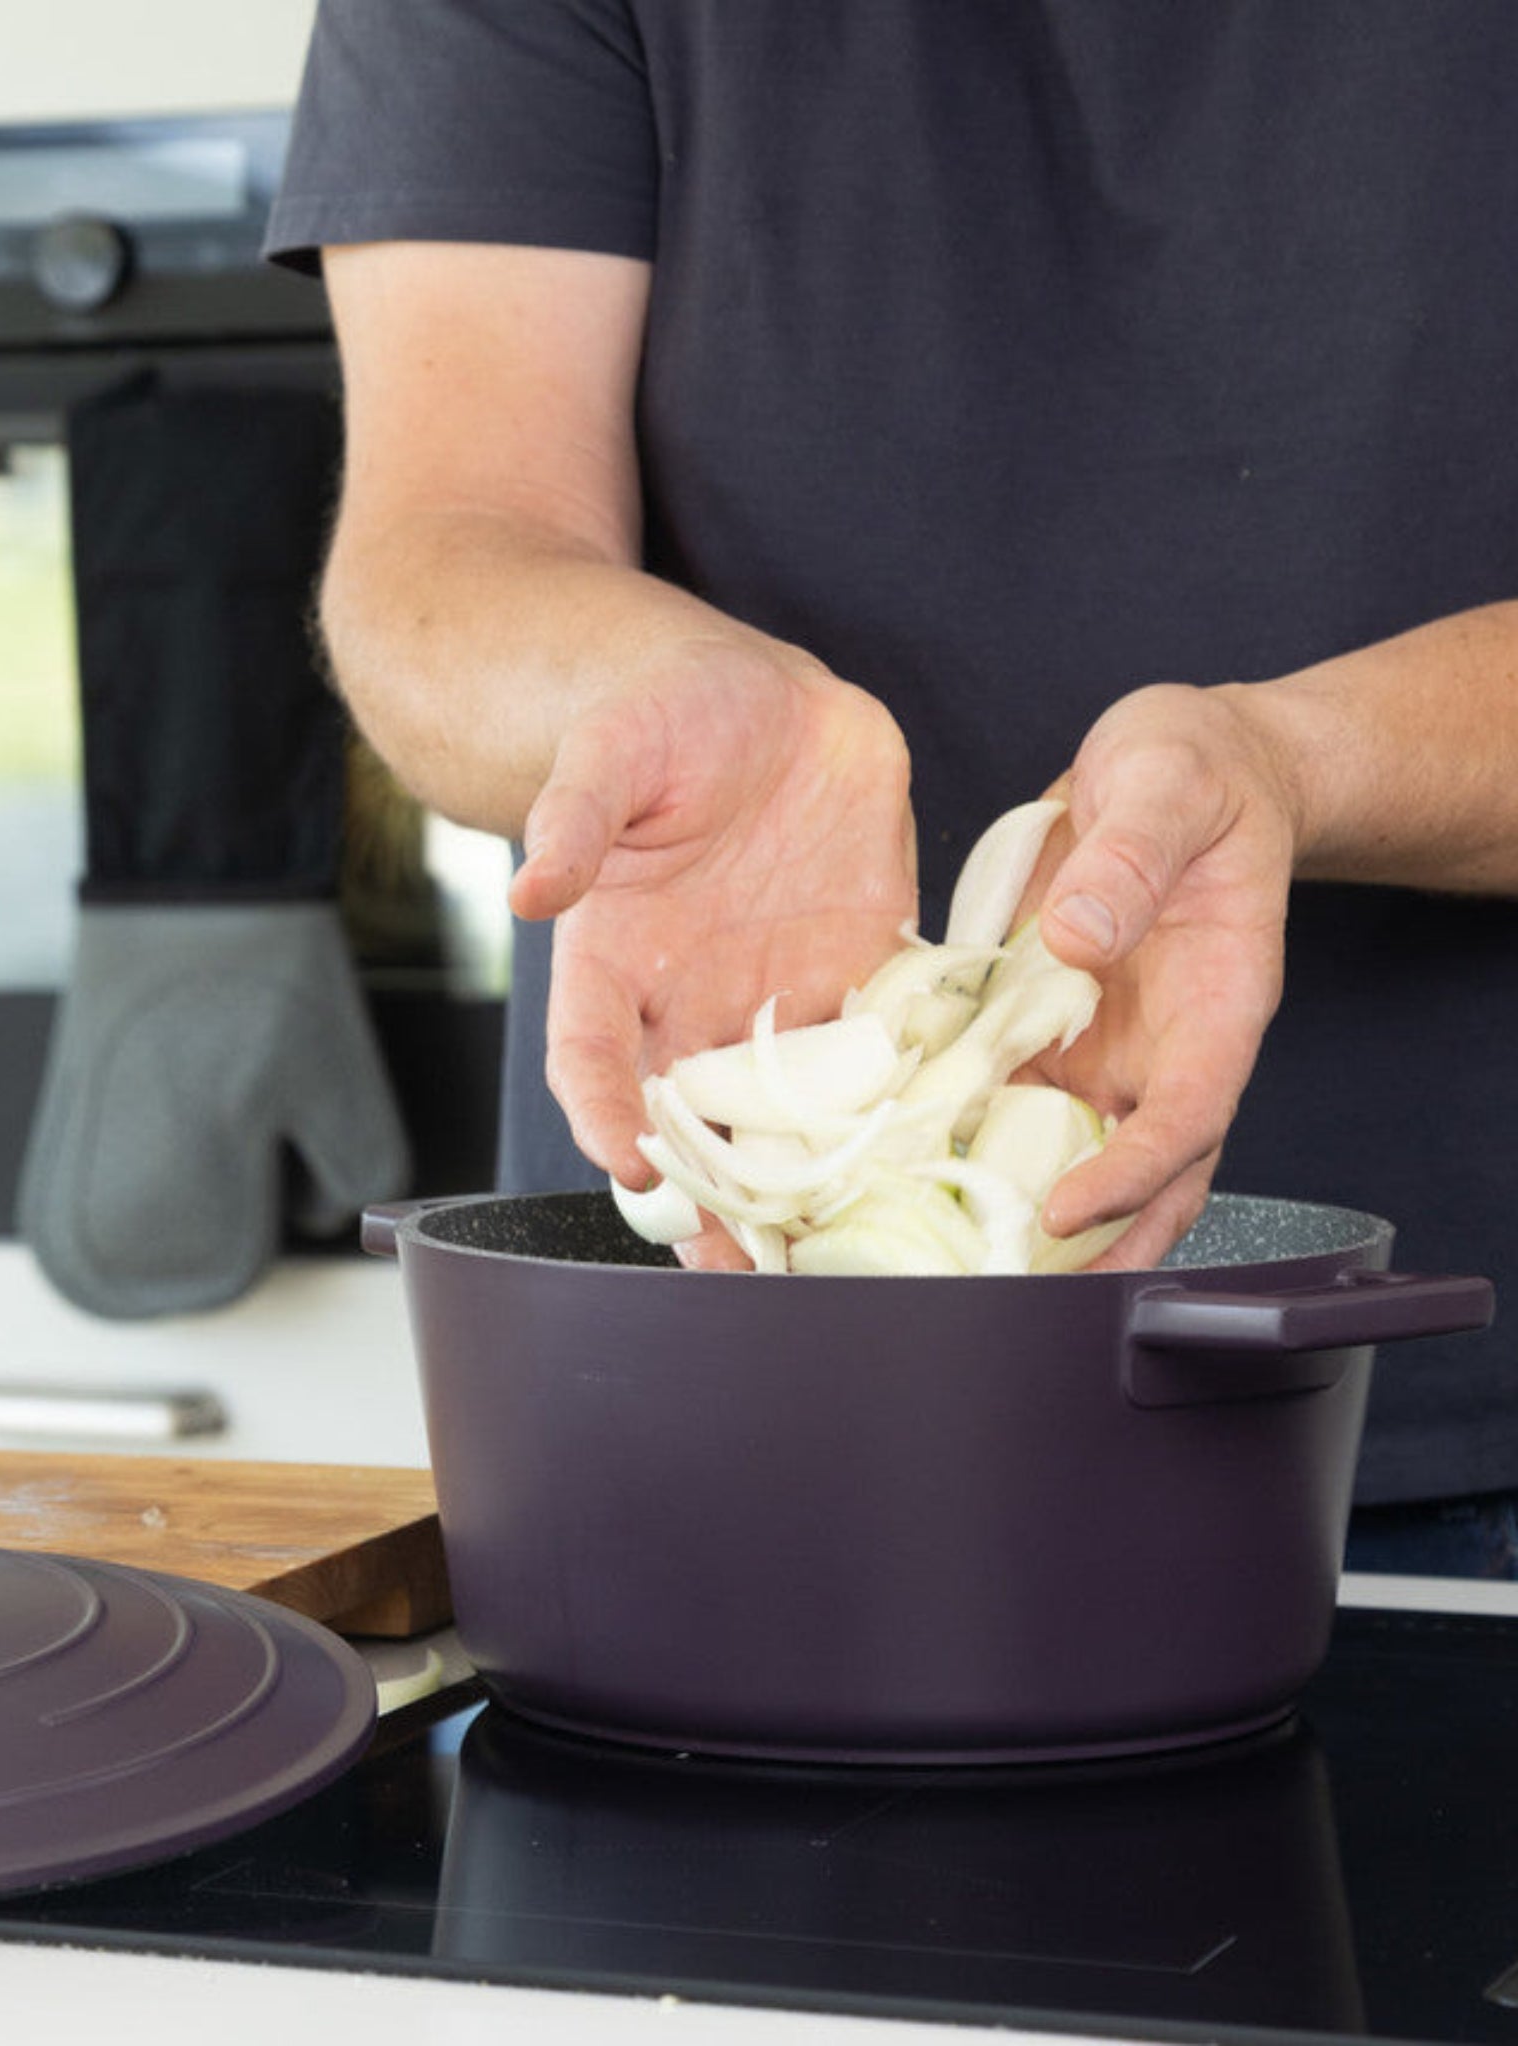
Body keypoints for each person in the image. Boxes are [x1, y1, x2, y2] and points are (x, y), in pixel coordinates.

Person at [264, 1, 1518, 1574]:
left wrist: (1300, 762)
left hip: (1453, 1403)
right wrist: (639, 688)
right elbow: (439, 558)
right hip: (716, 1381)